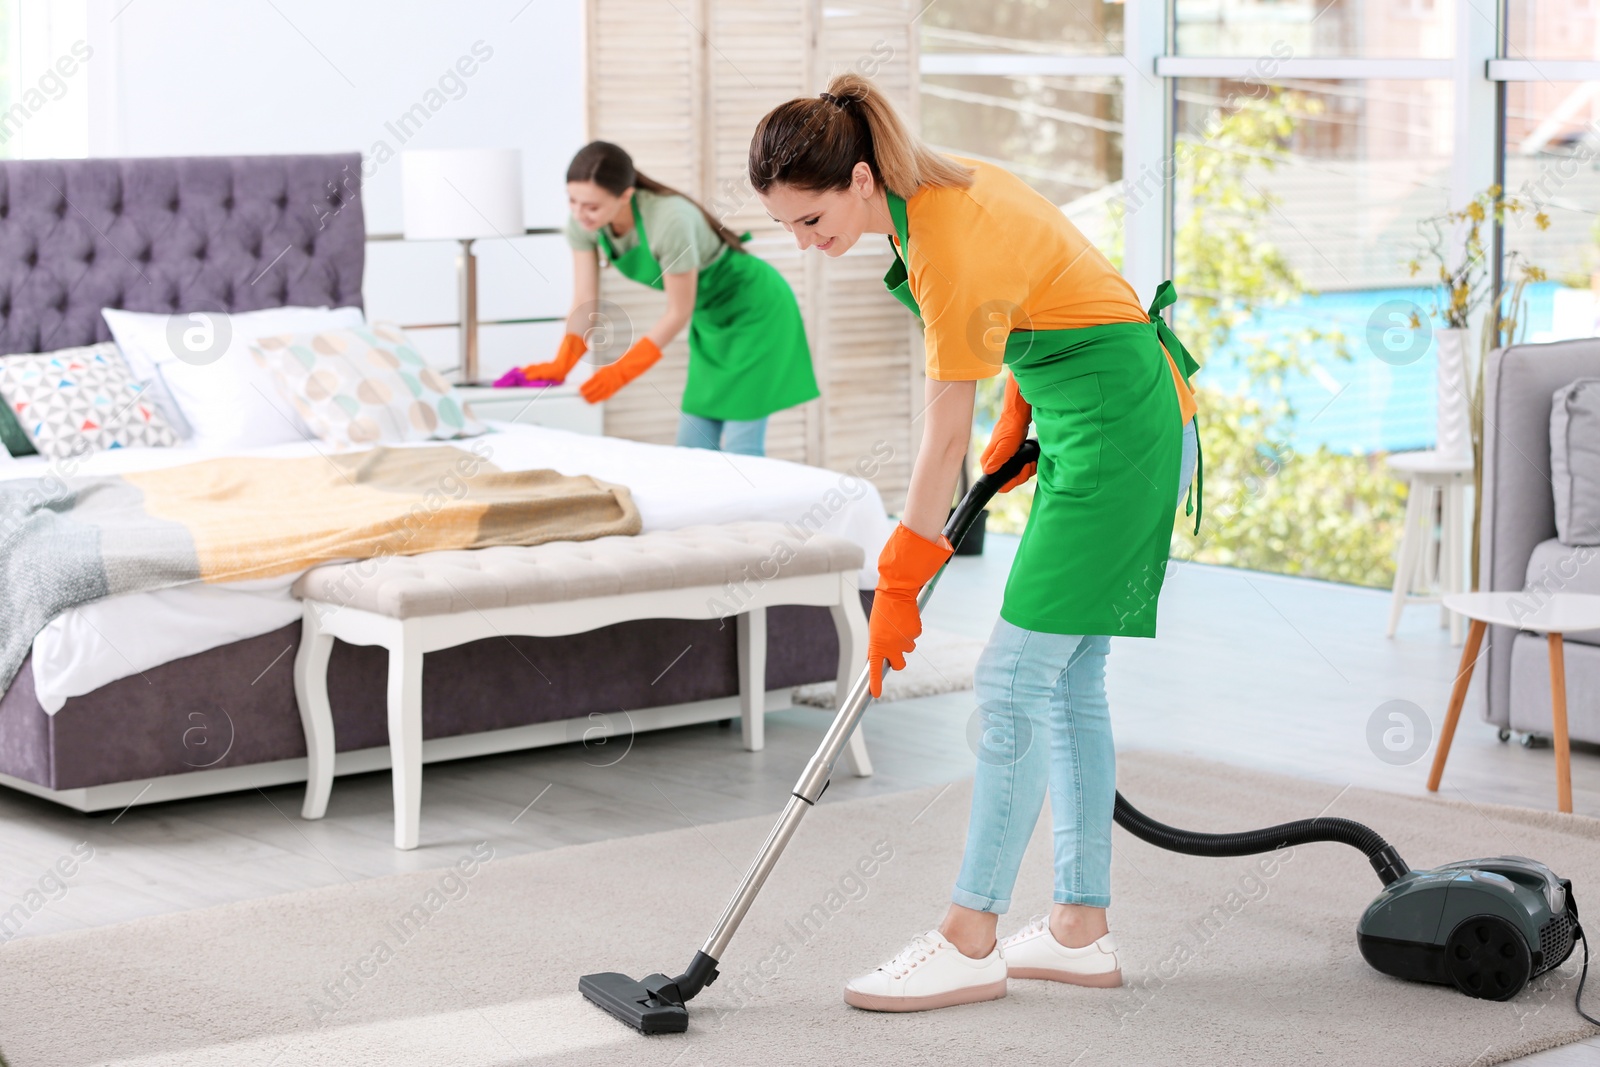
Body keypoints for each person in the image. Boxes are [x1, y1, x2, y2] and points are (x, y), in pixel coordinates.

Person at [748, 73, 1201, 1012]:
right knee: (1066, 678)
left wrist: (899, 578)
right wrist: (1021, 413)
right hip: (1098, 410)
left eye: (810, 217)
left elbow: (938, 444)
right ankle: (1079, 928)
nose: (803, 241)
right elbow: (1049, 291)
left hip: (1119, 425)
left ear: (862, 180)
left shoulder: (942, 240)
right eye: (787, 226)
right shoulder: (932, 196)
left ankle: (970, 937)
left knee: (1008, 679)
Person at [499, 141, 818, 457]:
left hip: (757, 310)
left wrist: (623, 370)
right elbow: (585, 298)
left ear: (625, 195)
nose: (580, 214)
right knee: (691, 447)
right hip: (710, 320)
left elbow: (679, 311)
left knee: (741, 446)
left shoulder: (669, 221)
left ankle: (755, 508)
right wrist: (562, 362)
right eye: (572, 201)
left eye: (592, 206)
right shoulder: (584, 224)